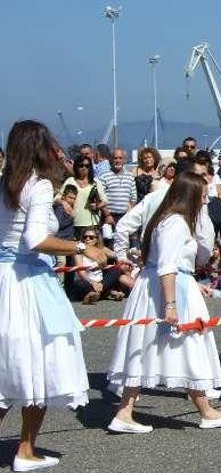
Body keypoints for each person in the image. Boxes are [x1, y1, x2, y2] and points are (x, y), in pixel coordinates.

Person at [0, 120, 107, 471]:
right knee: (40, 364)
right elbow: (36, 240)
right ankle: (26, 450)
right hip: (28, 282)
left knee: (8, 366)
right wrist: (82, 247)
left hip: (4, 279)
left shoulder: (6, 184)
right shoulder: (39, 185)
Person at [106, 171, 221, 433]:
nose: (205, 202)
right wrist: (171, 304)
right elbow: (167, 265)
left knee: (148, 347)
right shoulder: (175, 223)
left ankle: (126, 412)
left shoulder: (171, 220)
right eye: (202, 197)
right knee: (187, 344)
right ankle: (205, 411)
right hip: (169, 289)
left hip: (165, 286)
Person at [69, 225, 130, 303]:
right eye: (85, 237)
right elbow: (81, 273)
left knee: (116, 269)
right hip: (86, 282)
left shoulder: (101, 249)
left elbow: (116, 255)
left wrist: (126, 257)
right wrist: (92, 283)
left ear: (97, 239)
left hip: (101, 283)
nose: (87, 239)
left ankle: (96, 294)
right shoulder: (79, 251)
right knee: (80, 284)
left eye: (91, 237)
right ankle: (108, 293)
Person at [61, 154, 110, 239]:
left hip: (92, 224)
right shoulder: (70, 181)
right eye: (81, 165)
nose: (84, 168)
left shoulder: (95, 182)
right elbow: (57, 198)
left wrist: (97, 206)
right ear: (76, 167)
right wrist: (64, 204)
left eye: (87, 166)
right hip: (73, 224)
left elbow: (105, 200)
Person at [98, 148, 137, 228]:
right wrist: (107, 215)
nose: (118, 160)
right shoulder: (104, 176)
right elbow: (100, 198)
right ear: (111, 160)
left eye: (120, 158)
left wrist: (128, 215)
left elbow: (133, 198)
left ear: (124, 160)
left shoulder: (130, 176)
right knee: (108, 240)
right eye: (115, 158)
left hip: (125, 217)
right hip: (108, 217)